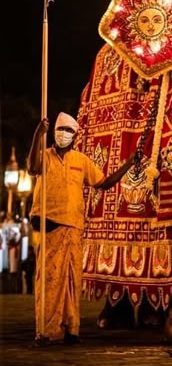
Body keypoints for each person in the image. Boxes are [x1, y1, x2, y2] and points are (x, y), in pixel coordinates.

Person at [27, 111, 137, 346]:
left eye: (69, 131)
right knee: (48, 280)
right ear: (53, 132)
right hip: (50, 224)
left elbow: (104, 183)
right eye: (60, 130)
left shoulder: (81, 160)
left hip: (74, 226)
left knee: (70, 280)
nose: (64, 135)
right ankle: (46, 330)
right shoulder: (44, 156)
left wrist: (129, 164)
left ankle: (70, 329)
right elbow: (32, 167)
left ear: (75, 136)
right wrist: (38, 134)